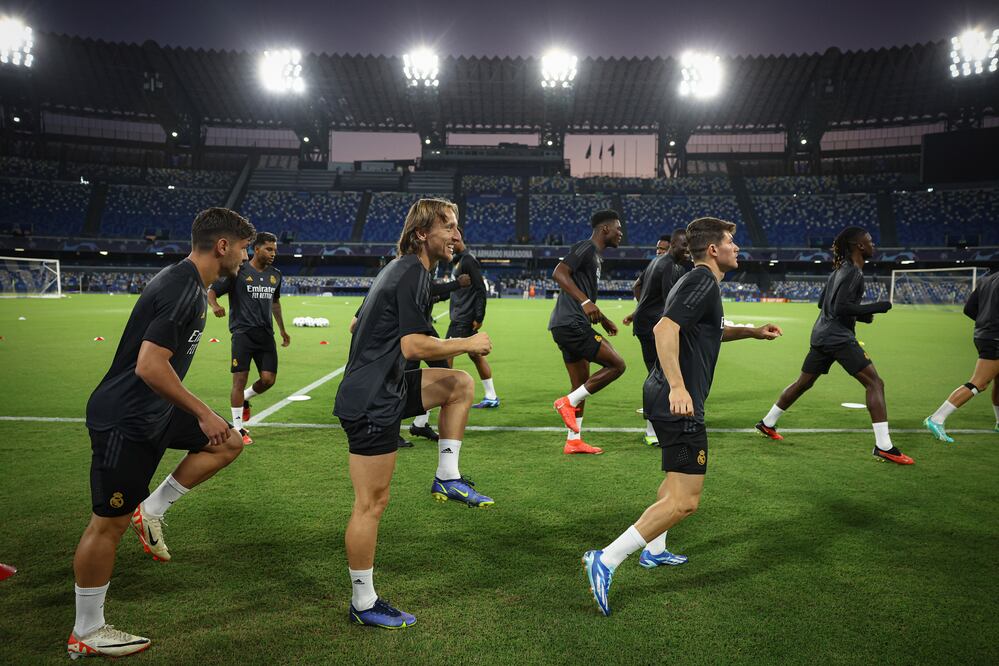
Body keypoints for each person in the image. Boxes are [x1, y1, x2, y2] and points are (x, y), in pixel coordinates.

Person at [69, 208, 255, 658]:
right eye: (244, 248)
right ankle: (87, 631)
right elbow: (150, 366)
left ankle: (150, 510)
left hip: (154, 410)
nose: (247, 258)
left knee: (229, 442)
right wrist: (202, 412)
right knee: (107, 524)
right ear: (223, 246)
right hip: (127, 418)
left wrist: (205, 417)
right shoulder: (181, 289)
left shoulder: (189, 284)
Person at [582, 217, 782, 616]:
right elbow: (664, 329)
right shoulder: (701, 281)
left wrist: (752, 331)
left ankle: (654, 550)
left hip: (667, 396)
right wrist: (678, 385)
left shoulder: (702, 283)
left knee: (675, 484)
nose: (736, 248)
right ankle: (606, 559)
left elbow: (709, 329)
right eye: (730, 242)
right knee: (687, 501)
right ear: (713, 249)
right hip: (676, 400)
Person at [333, 198, 495, 630]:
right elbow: (413, 348)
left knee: (458, 385)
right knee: (371, 504)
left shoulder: (413, 271)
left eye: (458, 227)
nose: (457, 235)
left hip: (387, 386)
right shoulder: (409, 271)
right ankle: (363, 602)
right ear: (422, 233)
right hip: (370, 398)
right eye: (449, 227)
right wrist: (469, 343)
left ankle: (447, 475)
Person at [754, 226, 914, 465]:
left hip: (821, 335)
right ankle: (884, 446)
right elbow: (839, 308)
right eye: (870, 241)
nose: (873, 245)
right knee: (875, 383)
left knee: (803, 383)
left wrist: (861, 316)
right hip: (838, 337)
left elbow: (823, 304)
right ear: (859, 246)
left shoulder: (839, 271)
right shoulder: (853, 273)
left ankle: (767, 423)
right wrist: (876, 307)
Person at [549, 209, 627, 455]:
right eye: (618, 228)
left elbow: (584, 293)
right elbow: (559, 273)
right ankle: (566, 403)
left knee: (581, 385)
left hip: (567, 325)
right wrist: (585, 303)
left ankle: (574, 441)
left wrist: (602, 318)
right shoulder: (586, 247)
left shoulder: (596, 257)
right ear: (605, 229)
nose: (621, 233)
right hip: (571, 324)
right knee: (617, 365)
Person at [208, 231, 291, 445]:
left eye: (275, 250)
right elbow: (212, 291)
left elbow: (275, 303)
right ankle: (237, 429)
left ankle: (245, 398)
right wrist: (215, 305)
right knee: (239, 379)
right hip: (242, 333)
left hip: (266, 335)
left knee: (268, 380)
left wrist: (282, 330)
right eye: (269, 249)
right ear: (256, 249)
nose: (273, 254)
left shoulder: (276, 275)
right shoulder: (238, 271)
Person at [623, 229, 690, 445]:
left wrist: (639, 310)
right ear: (673, 245)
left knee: (657, 373)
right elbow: (673, 304)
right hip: (654, 327)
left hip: (646, 323)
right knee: (660, 376)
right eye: (683, 245)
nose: (687, 250)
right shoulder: (671, 267)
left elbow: (638, 286)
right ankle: (653, 431)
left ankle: (660, 423)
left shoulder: (656, 262)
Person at [924, 269, 999, 441]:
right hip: (995, 338)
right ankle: (936, 418)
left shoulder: (987, 279)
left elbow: (969, 309)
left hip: (983, 335)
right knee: (979, 383)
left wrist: (984, 322)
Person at [447, 228, 499, 408]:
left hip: (464, 317)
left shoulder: (468, 260)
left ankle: (445, 397)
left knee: (446, 354)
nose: (449, 245)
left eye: (451, 242)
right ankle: (491, 396)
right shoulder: (459, 261)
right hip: (460, 315)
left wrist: (479, 316)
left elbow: (480, 289)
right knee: (475, 355)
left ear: (458, 240)